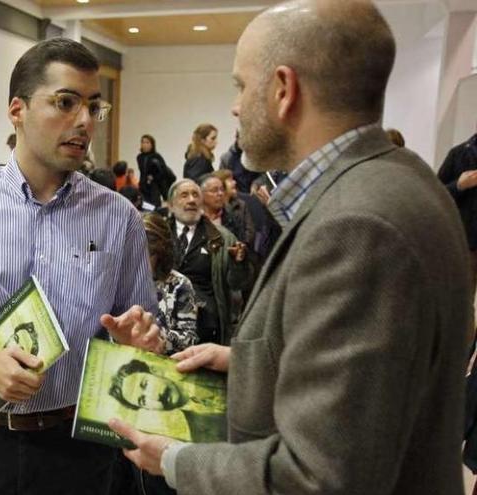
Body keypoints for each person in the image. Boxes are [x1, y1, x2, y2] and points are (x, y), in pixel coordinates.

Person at [110, 2, 473, 494]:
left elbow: (319, 476)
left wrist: (176, 460)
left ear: (283, 90)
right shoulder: (397, 180)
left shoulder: (358, 224)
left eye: (241, 86)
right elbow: (375, 379)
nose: (236, 107)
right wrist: (246, 359)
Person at [0, 37, 161, 495]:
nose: (84, 122)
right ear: (17, 110)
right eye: (65, 102)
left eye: (93, 107)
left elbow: (141, 323)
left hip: (78, 447)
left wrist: (139, 341)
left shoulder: (118, 216)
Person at [167, 179, 249, 346]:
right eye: (184, 195)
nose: (191, 200)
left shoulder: (224, 238)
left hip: (206, 328)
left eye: (195, 195)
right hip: (166, 322)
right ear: (171, 205)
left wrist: (238, 264)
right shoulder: (157, 235)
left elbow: (237, 284)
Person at [142, 212, 198, 354]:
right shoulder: (119, 281)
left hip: (165, 364)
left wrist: (153, 335)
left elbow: (188, 340)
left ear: (160, 252)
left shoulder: (179, 284)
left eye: (148, 253)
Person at [437, 127, 477, 288]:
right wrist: (459, 185)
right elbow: (436, 194)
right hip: (467, 243)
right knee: (464, 300)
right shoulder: (458, 154)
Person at [137, 134, 175, 209]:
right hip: (143, 185)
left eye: (147, 142)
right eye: (143, 142)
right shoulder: (139, 157)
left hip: (155, 186)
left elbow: (163, 171)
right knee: (144, 206)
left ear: (152, 144)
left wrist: (153, 177)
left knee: (155, 207)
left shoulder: (157, 156)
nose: (144, 145)